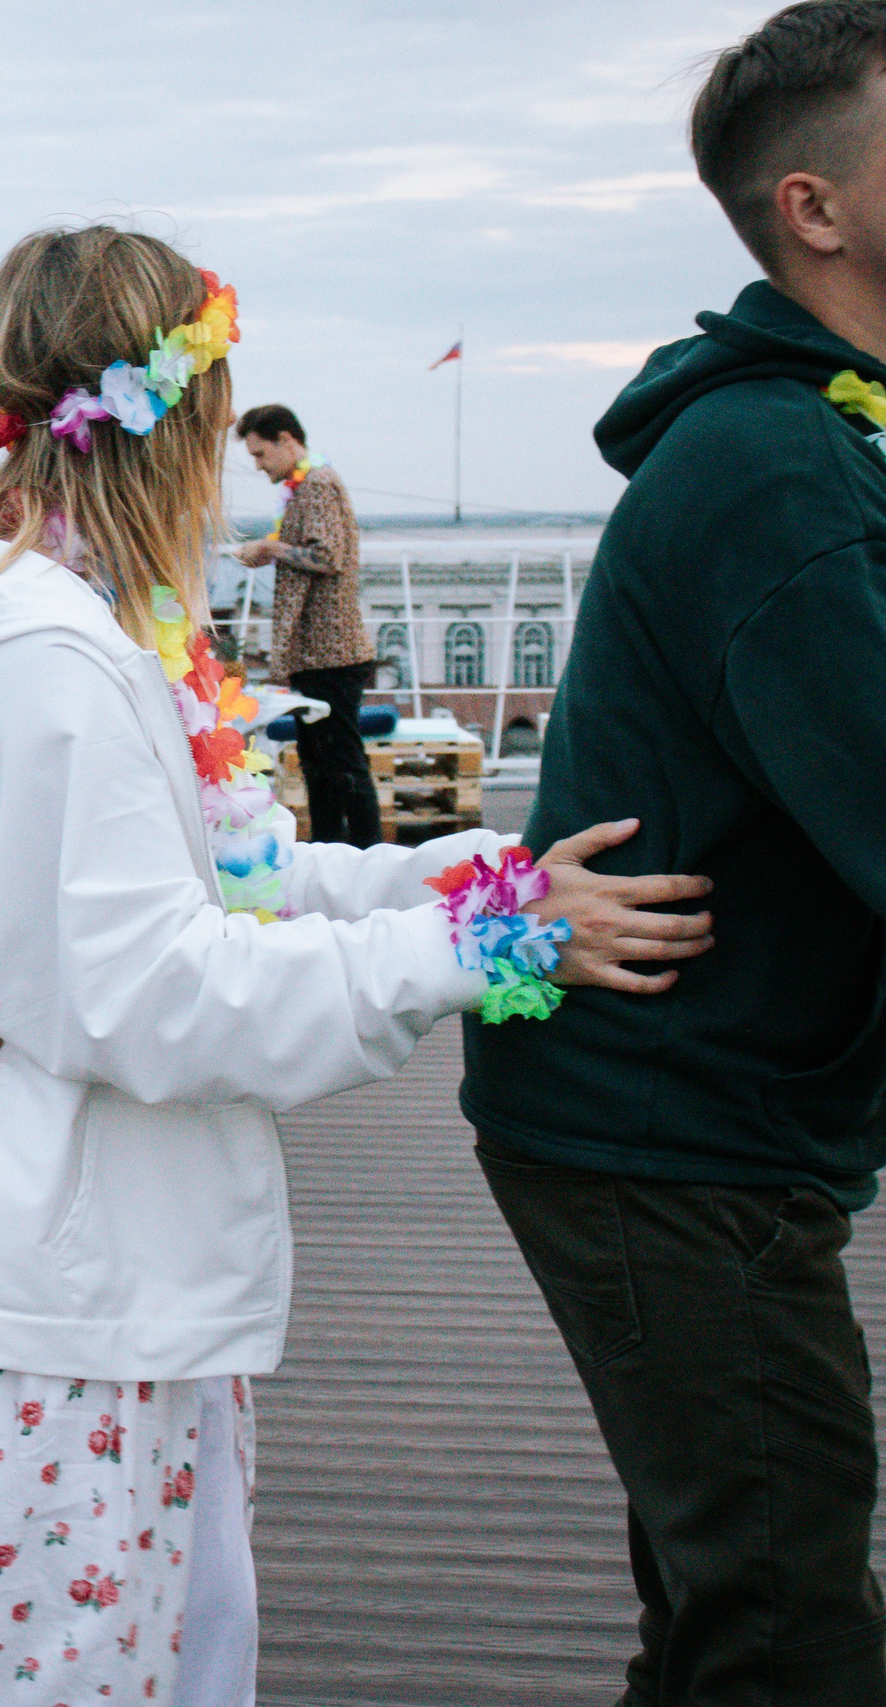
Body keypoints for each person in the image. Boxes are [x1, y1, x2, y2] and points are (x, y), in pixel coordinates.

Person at [0, 226, 715, 1707]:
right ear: (187, 416)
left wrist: (459, 878)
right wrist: (480, 948)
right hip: (24, 1326)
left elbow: (228, 878)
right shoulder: (55, 665)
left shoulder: (48, 628)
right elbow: (152, 994)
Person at [466, 5, 886, 1698]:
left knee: (739, 1598)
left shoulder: (820, 434)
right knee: (789, 1625)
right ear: (817, 207)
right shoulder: (779, 466)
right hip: (670, 1132)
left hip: (710, 1114)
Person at [233, 405, 382, 847]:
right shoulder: (311, 485)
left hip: (330, 653)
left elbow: (327, 556)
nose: (259, 466)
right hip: (317, 653)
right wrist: (275, 549)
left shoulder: (317, 485)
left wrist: (272, 548)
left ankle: (363, 853)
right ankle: (333, 852)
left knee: (341, 764)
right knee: (321, 767)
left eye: (261, 454)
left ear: (285, 439)